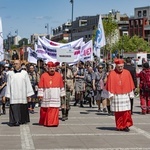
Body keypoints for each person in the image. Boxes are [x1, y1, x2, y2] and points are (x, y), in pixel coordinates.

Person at [106, 59, 135, 132]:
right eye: (119, 67)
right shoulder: (112, 73)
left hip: (125, 95)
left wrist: (131, 92)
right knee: (118, 112)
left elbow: (130, 83)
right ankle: (119, 126)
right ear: (116, 66)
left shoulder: (127, 73)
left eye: (122, 66)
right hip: (116, 95)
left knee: (126, 112)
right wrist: (111, 94)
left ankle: (126, 125)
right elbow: (110, 84)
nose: (120, 68)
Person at [5, 60, 34, 126]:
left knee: (22, 107)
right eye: (14, 64)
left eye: (17, 64)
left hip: (22, 93)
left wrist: (28, 94)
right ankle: (15, 121)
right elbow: (8, 84)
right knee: (14, 107)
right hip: (14, 94)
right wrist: (8, 95)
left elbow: (28, 84)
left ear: (20, 64)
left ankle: (22, 120)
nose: (15, 65)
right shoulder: (10, 73)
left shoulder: (24, 73)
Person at [38, 61, 65, 127]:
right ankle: (44, 121)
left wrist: (62, 94)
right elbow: (41, 86)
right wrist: (40, 94)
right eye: (51, 68)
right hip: (46, 94)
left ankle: (52, 123)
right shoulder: (44, 75)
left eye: (53, 68)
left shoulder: (58, 75)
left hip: (55, 94)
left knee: (54, 109)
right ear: (48, 68)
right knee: (45, 109)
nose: (52, 70)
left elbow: (61, 85)